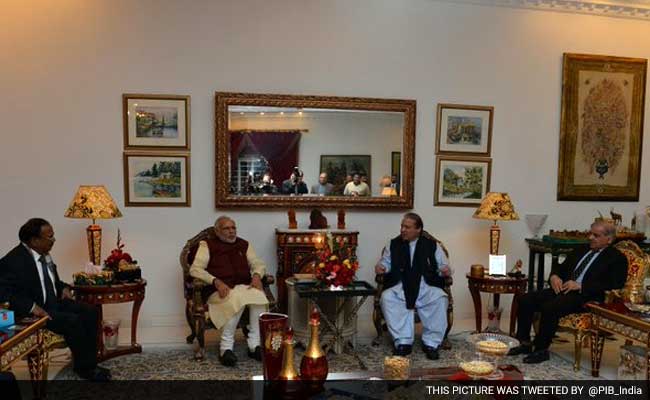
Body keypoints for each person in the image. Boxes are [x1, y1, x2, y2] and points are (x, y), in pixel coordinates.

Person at [0, 218, 111, 381]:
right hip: (35, 312)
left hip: (53, 303)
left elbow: (53, 281)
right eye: (50, 237)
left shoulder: (44, 255)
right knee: (73, 321)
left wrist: (63, 287)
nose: (54, 240)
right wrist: (32, 307)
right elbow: (4, 292)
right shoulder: (12, 261)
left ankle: (89, 361)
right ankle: (86, 369)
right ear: (34, 240)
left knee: (90, 311)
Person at [508, 221, 628, 364]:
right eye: (590, 233)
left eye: (596, 235)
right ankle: (524, 343)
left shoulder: (617, 258)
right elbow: (560, 267)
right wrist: (554, 276)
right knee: (526, 299)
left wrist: (581, 285)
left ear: (609, 239)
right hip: (564, 289)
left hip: (586, 296)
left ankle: (541, 350)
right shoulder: (582, 249)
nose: (590, 237)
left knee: (550, 307)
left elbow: (615, 283)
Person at [188, 216, 268, 367]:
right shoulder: (207, 245)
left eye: (233, 228)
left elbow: (257, 263)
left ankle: (254, 345)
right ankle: (226, 349)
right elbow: (195, 269)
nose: (231, 231)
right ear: (217, 231)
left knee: (259, 297)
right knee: (235, 299)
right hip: (218, 290)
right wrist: (215, 281)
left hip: (243, 287)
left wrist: (257, 275)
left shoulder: (244, 244)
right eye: (226, 228)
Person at [375, 213, 452, 360]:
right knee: (387, 297)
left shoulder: (432, 245)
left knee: (440, 298)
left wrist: (445, 270)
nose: (402, 230)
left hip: (425, 285)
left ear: (418, 229)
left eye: (407, 227)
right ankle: (403, 341)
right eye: (402, 226)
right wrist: (381, 267)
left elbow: (443, 265)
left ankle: (431, 343)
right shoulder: (393, 244)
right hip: (401, 285)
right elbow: (386, 262)